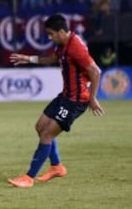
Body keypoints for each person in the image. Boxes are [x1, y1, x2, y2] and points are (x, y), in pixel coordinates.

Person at [7, 14, 105, 188]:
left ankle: (29, 178)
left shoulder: (76, 47)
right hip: (65, 96)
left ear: (61, 32)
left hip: (76, 101)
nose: (50, 38)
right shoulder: (63, 44)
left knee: (47, 134)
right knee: (40, 127)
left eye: (51, 34)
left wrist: (92, 98)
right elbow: (53, 59)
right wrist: (28, 59)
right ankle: (57, 166)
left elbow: (95, 71)